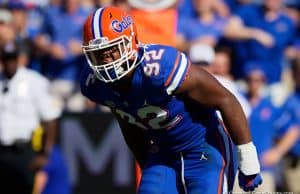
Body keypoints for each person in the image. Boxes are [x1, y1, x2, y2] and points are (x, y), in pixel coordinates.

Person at [80, 6, 262, 194]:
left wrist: (247, 156)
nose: (106, 59)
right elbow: (129, 125)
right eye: (98, 53)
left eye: (112, 49)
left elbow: (225, 99)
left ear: (130, 42)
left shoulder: (160, 67)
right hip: (163, 155)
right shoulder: (94, 84)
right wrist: (148, 166)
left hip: (204, 148)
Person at [0, 41, 61, 194]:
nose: (10, 63)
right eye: (7, 59)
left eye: (13, 59)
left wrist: (45, 153)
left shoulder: (34, 81)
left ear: (19, 59)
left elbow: (50, 119)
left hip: (25, 151)